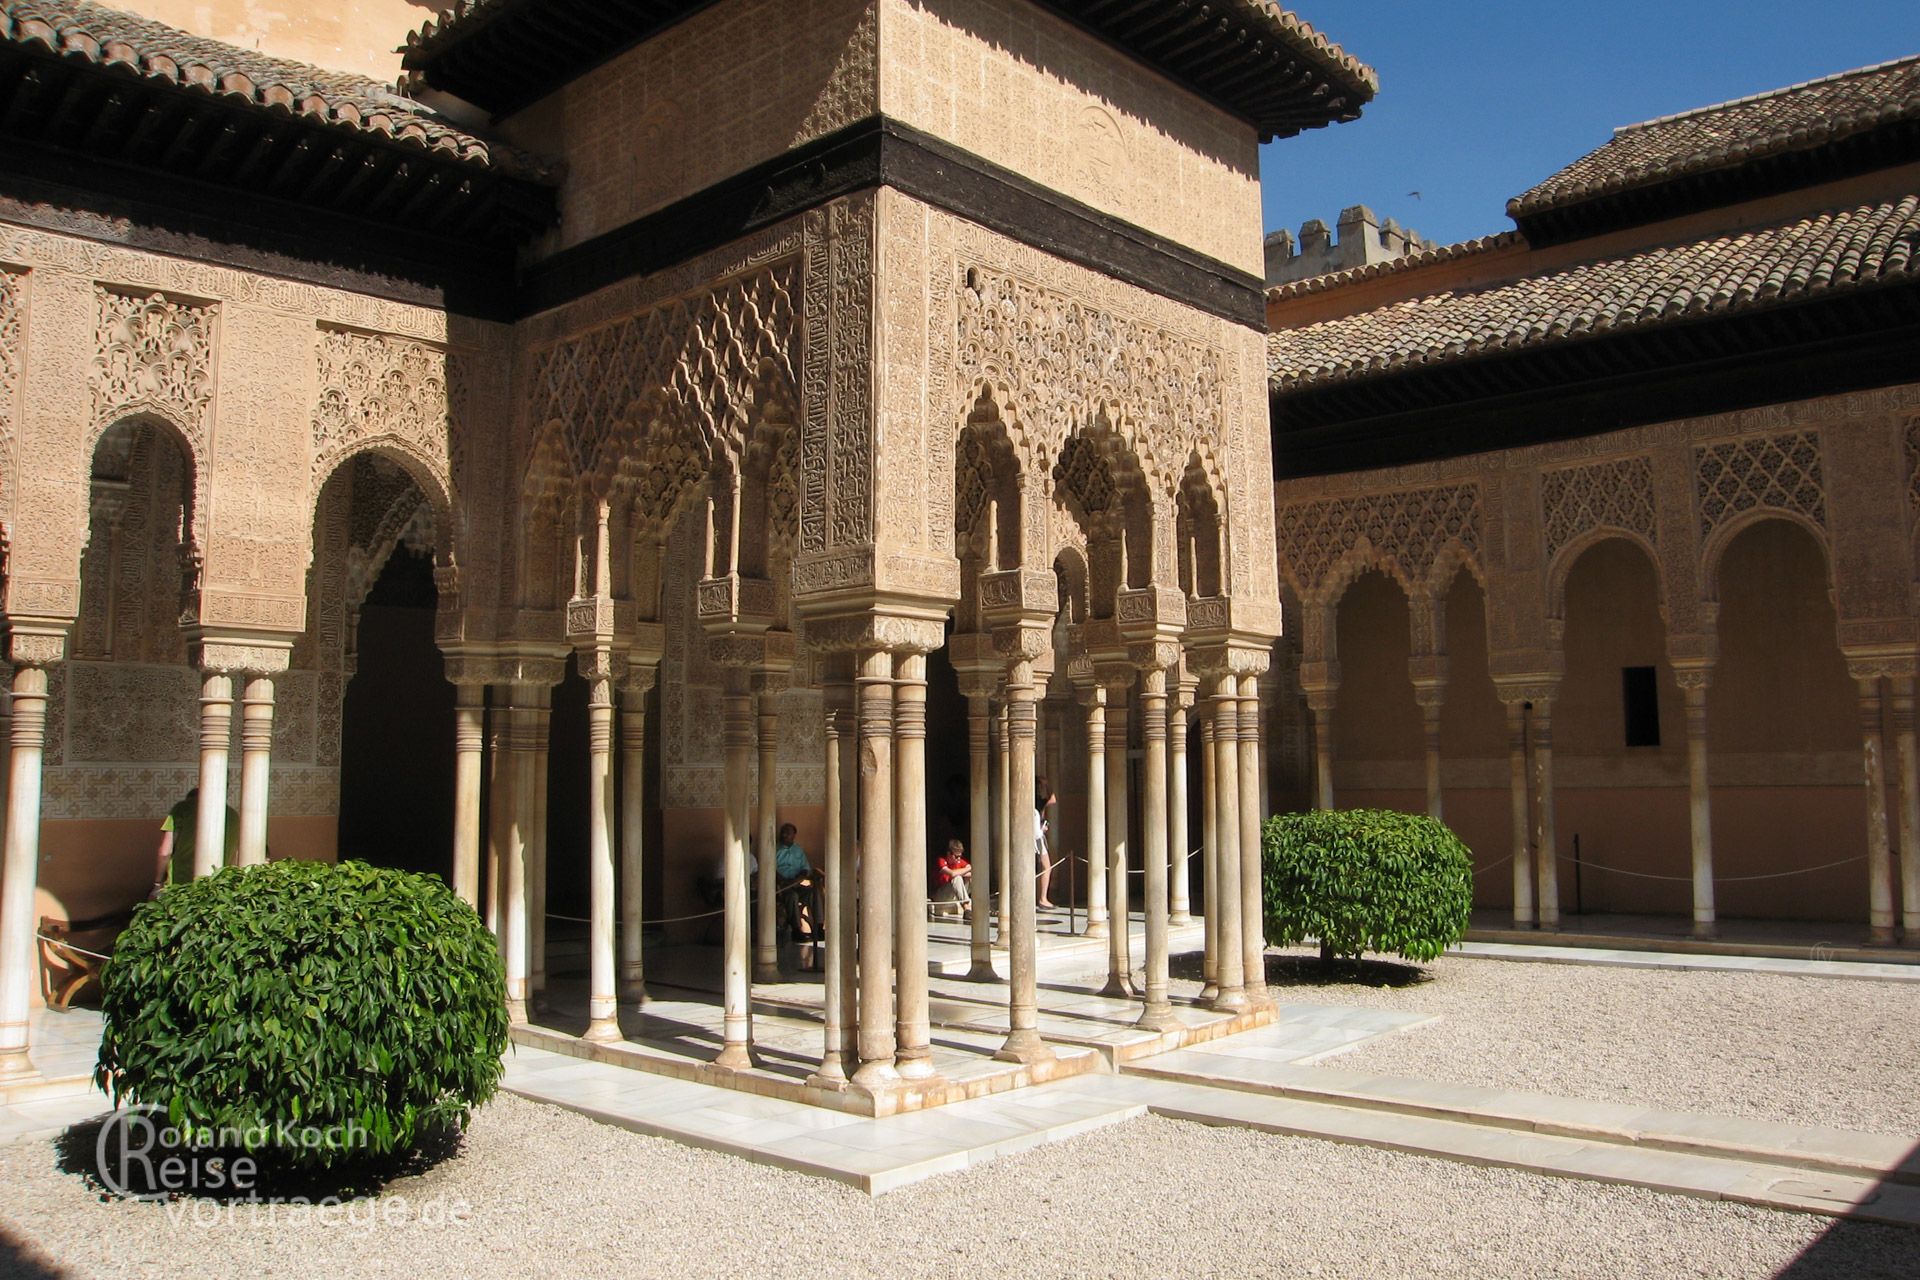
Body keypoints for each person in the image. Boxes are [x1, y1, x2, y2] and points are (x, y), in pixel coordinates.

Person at [153, 786, 240, 895]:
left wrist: (158, 882)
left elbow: (165, 852)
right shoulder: (234, 815)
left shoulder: (182, 808)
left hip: (181, 883)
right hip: (219, 884)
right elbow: (235, 855)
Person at [773, 823, 823, 971]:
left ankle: (819, 927)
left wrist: (799, 878)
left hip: (797, 882)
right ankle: (797, 929)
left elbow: (805, 868)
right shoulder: (775, 849)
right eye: (783, 833)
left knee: (814, 893)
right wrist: (784, 881)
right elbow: (772, 869)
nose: (785, 835)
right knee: (792, 896)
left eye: (788, 833)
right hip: (784, 885)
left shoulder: (798, 850)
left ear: (794, 835)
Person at [1035, 778, 1058, 910]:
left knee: (1044, 867)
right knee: (1046, 866)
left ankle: (1042, 897)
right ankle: (1043, 898)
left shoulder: (1039, 806)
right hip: (1037, 840)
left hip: (1037, 838)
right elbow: (1036, 833)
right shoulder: (1036, 810)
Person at [933, 839, 972, 916]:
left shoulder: (959, 861)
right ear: (949, 854)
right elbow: (952, 873)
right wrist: (965, 871)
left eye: (960, 856)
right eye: (956, 856)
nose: (958, 859)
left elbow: (972, 872)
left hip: (954, 895)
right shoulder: (941, 861)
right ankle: (966, 907)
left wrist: (962, 871)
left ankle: (973, 902)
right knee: (957, 878)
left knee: (970, 878)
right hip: (941, 896)